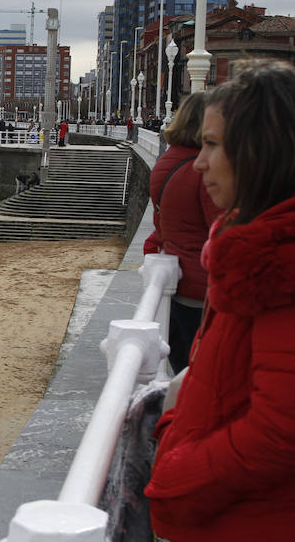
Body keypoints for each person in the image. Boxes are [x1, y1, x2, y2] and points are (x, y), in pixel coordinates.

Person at [144, 61, 295, 541]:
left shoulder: (275, 266)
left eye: (211, 145)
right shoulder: (251, 253)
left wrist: (173, 477)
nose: (200, 162)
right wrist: (172, 428)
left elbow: (278, 434)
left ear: (258, 152)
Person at [143, 93, 223, 374]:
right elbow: (221, 229)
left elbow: (160, 220)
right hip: (201, 286)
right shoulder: (200, 169)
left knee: (185, 366)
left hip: (178, 276)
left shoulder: (169, 159)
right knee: (204, 369)